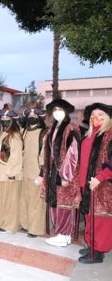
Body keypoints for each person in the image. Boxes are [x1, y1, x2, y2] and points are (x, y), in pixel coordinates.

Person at [40, 99, 81, 247]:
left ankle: (64, 235)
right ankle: (62, 233)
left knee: (64, 205)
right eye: (55, 110)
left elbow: (73, 154)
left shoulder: (71, 129)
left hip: (64, 175)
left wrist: (65, 176)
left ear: (66, 111)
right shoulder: (53, 129)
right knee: (55, 204)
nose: (57, 112)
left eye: (60, 109)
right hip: (52, 173)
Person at [78, 103, 112, 264]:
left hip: (102, 184)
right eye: (93, 114)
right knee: (89, 216)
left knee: (100, 220)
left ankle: (98, 251)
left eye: (100, 115)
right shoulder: (88, 135)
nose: (96, 117)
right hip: (87, 183)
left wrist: (100, 177)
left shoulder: (109, 135)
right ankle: (91, 244)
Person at [0, 106, 23, 233]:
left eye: (7, 118)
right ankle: (0, 221)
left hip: (10, 175)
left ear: (12, 120)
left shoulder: (14, 136)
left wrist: (12, 174)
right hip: (2, 174)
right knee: (2, 200)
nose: (4, 120)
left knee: (11, 201)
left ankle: (10, 225)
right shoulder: (3, 134)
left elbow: (16, 157)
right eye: (2, 118)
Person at [19, 106, 48, 238]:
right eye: (29, 116)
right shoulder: (24, 131)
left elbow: (45, 154)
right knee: (24, 200)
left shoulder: (44, 133)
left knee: (37, 203)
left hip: (37, 173)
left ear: (40, 118)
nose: (31, 117)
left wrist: (42, 174)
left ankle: (35, 229)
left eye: (34, 116)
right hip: (24, 172)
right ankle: (25, 224)